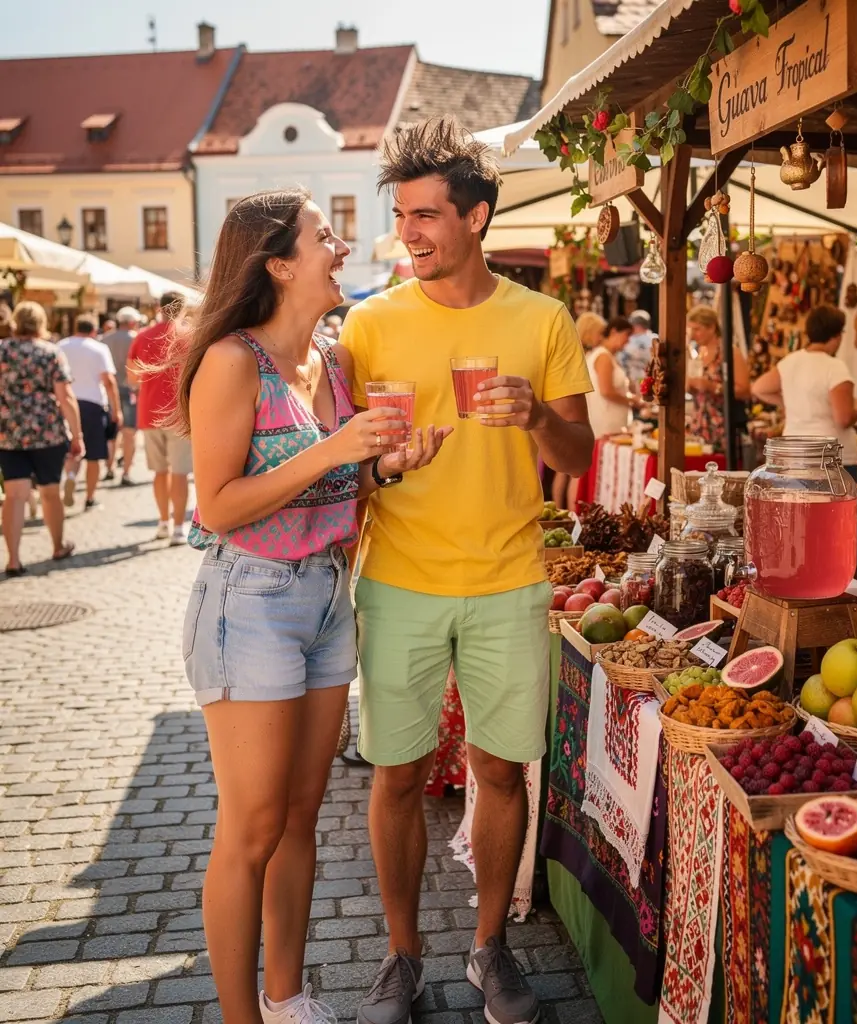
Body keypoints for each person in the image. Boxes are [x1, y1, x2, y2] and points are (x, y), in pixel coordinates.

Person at [176, 186, 450, 1024]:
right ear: (281, 264)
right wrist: (334, 447)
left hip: (328, 596)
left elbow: (338, 481)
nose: (344, 247)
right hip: (250, 601)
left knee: (301, 819)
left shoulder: (329, 360)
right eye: (325, 237)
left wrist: (391, 465)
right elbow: (219, 505)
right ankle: (240, 1018)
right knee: (253, 829)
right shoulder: (230, 361)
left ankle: (287, 994)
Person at [342, 116, 593, 1024]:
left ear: (476, 217)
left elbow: (578, 451)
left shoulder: (543, 318)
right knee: (398, 775)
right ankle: (401, 957)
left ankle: (491, 949)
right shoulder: (365, 326)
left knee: (499, 770)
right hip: (399, 580)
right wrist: (385, 463)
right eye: (401, 214)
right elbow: (343, 467)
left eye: (426, 215)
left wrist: (534, 416)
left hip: (509, 579)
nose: (408, 233)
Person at [0, 301, 80, 574]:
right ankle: (57, 546)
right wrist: (77, 434)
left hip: (8, 433)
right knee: (49, 491)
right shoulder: (50, 353)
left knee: (14, 495)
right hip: (46, 432)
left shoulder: (2, 351)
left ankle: (12, 560)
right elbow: (66, 397)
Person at [750, 304, 857, 482]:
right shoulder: (835, 367)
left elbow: (758, 388)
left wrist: (788, 402)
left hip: (794, 454)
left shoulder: (791, 362)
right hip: (830, 456)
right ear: (836, 336)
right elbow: (844, 419)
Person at [128, 293, 193, 545]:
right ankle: (178, 528)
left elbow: (133, 377)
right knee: (180, 473)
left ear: (159, 308)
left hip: (150, 412)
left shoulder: (143, 336)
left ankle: (163, 522)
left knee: (159, 471)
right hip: (179, 413)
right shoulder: (190, 335)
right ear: (183, 308)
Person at [59, 315, 123, 510]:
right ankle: (90, 497)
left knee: (72, 449)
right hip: (93, 404)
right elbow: (109, 382)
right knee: (94, 455)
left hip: (66, 402)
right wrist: (116, 409)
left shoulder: (61, 345)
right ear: (94, 331)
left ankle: (70, 476)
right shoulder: (98, 348)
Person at [550, 310, 605, 510]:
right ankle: (564, 511)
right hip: (571, 413)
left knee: (563, 469)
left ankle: (558, 509)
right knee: (569, 469)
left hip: (569, 412)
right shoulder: (580, 353)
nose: (601, 336)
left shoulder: (585, 353)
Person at [685, 303, 750, 453]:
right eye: (691, 329)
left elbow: (745, 391)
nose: (693, 335)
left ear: (712, 327)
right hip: (700, 428)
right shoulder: (699, 353)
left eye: (697, 329)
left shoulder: (730, 352)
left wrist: (713, 387)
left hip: (724, 428)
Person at [103, 307, 143, 486]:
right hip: (130, 389)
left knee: (112, 431)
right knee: (129, 432)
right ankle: (126, 471)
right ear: (133, 322)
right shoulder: (136, 339)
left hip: (108, 389)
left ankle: (109, 467)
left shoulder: (106, 339)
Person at [619, 308, 654, 385]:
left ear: (637, 325)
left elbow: (620, 358)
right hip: (649, 381)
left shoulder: (629, 340)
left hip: (634, 378)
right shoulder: (655, 338)